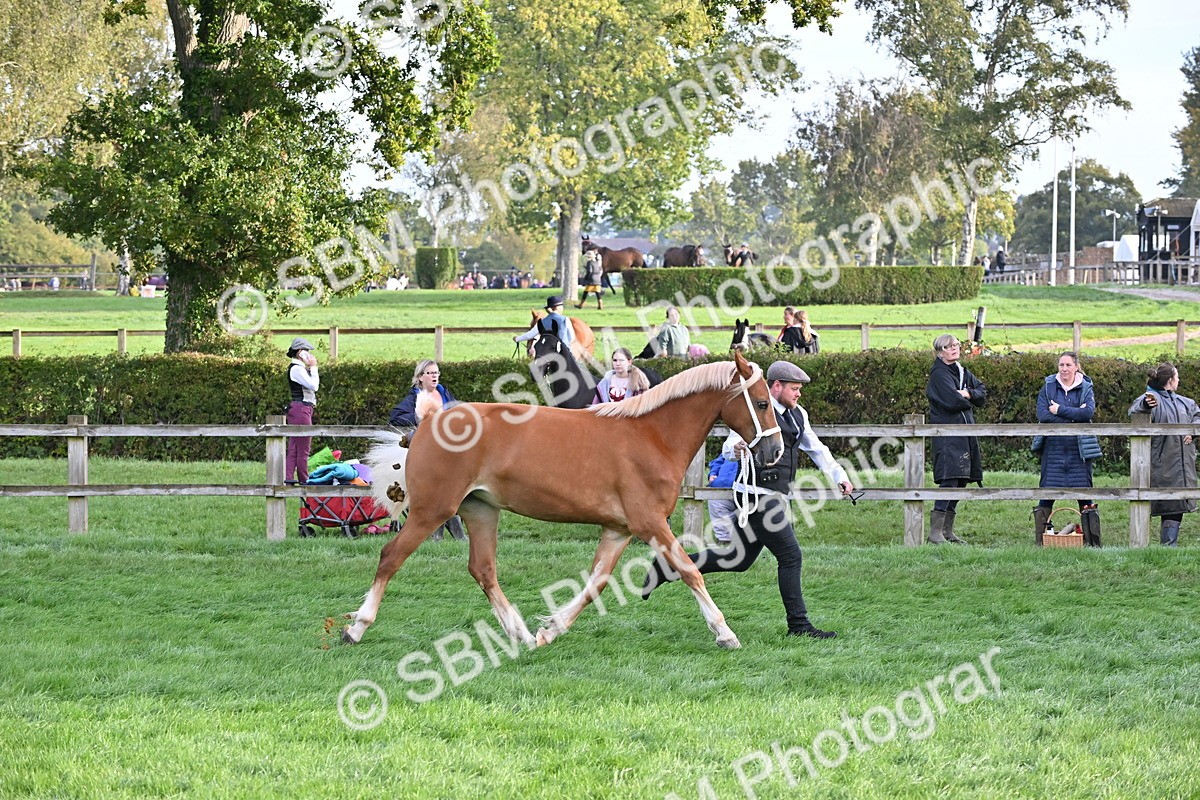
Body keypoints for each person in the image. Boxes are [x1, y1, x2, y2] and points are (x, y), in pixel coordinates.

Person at [641, 361, 854, 639]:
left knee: (736, 559)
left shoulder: (798, 414)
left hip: (778, 496)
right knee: (791, 556)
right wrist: (738, 447)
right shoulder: (756, 410)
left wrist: (839, 475)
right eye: (794, 389)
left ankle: (672, 565)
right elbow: (729, 447)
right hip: (757, 498)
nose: (798, 394)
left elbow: (817, 449)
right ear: (776, 386)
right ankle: (799, 626)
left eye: (799, 389)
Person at [387, 360, 466, 541]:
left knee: (451, 489)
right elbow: (395, 418)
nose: (434, 376)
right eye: (430, 373)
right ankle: (445, 534)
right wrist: (418, 416)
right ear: (420, 377)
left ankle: (445, 533)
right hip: (428, 451)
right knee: (438, 490)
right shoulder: (414, 398)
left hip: (451, 450)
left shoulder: (445, 395)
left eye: (436, 373)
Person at [1128, 362, 1200, 547]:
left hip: (1183, 465)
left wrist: (1193, 431)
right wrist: (1146, 404)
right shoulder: (1152, 398)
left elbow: (1197, 415)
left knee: (1176, 506)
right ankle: (1146, 546)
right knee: (1160, 503)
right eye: (1177, 377)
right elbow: (1136, 409)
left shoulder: (1185, 402)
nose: (1179, 380)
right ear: (1170, 380)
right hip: (1161, 465)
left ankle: (1168, 548)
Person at [1033, 352, 1101, 547]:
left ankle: (1092, 541)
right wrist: (1074, 416)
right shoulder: (1048, 387)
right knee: (1047, 492)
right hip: (1053, 447)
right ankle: (1042, 540)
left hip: (1078, 449)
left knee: (1084, 493)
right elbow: (1043, 414)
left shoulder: (1086, 387)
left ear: (1076, 367)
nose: (1064, 369)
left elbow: (1088, 413)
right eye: (1061, 365)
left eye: (1068, 365)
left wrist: (1060, 410)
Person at [926, 334, 987, 544]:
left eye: (956, 345)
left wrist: (967, 393)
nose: (954, 349)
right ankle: (935, 532)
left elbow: (982, 392)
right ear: (940, 351)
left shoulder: (962, 371)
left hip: (965, 432)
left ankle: (947, 531)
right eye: (949, 346)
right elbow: (952, 401)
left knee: (961, 480)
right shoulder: (938, 374)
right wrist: (967, 397)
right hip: (948, 434)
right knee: (949, 478)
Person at [285, 338, 319, 484]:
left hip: (299, 409)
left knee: (294, 447)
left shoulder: (297, 368)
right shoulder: (297, 369)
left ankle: (289, 478)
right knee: (303, 449)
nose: (309, 354)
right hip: (302, 409)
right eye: (307, 351)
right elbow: (313, 385)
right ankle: (304, 481)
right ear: (300, 353)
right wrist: (314, 367)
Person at [704, 432, 744, 544]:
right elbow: (717, 461)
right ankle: (724, 539)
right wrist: (712, 474)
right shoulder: (731, 446)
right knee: (716, 504)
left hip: (744, 488)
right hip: (720, 485)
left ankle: (742, 540)